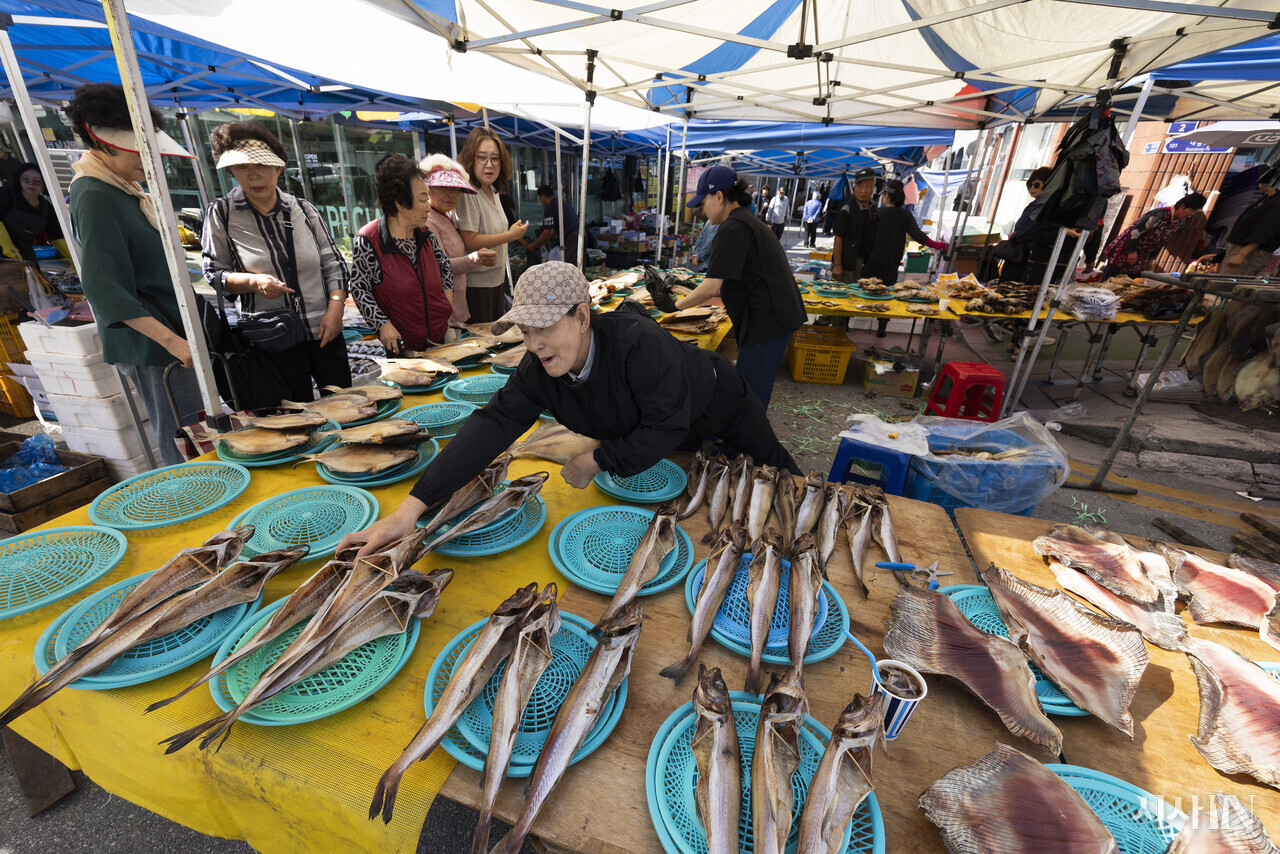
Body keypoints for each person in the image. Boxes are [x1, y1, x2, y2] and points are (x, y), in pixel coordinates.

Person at [338, 262, 798, 557]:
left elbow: (664, 425)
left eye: (544, 327)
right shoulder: (540, 367)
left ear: (581, 317)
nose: (534, 344)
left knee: (776, 469)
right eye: (525, 329)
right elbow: (493, 423)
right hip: (673, 430)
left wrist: (596, 460)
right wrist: (411, 509)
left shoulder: (640, 346)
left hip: (722, 401)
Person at [66, 82, 203, 466]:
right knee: (181, 435)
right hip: (155, 343)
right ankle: (192, 505)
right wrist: (173, 342)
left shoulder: (124, 187)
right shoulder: (95, 194)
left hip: (172, 332)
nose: (149, 161)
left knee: (196, 428)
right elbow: (104, 287)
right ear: (103, 143)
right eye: (138, 152)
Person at [202, 121, 351, 401]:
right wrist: (252, 282)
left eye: (263, 166)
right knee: (294, 421)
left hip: (324, 329)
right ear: (232, 170)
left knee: (347, 406)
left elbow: (334, 264)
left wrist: (335, 309)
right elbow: (214, 274)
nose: (254, 175)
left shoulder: (304, 210)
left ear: (278, 168)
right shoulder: (222, 213)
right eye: (244, 167)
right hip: (270, 338)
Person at [655, 165, 805, 409]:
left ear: (719, 197)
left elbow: (712, 284)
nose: (702, 210)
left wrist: (673, 305)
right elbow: (719, 284)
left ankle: (745, 443)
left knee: (748, 393)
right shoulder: (744, 219)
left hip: (769, 319)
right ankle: (744, 440)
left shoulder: (732, 228)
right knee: (749, 387)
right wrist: (689, 287)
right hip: (775, 315)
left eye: (703, 203)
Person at [348, 154, 454, 355]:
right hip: (402, 347)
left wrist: (447, 298)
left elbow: (444, 267)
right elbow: (360, 288)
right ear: (400, 202)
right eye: (423, 199)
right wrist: (382, 324)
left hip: (438, 339)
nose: (428, 206)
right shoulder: (369, 239)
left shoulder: (425, 233)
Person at [454, 128, 529, 321]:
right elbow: (469, 240)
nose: (490, 165)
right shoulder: (468, 192)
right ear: (471, 159)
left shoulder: (492, 189)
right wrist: (511, 235)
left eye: (495, 158)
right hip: (476, 286)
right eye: (482, 158)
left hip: (496, 280)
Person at [418, 154, 498, 325]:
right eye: (443, 187)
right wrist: (476, 258)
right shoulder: (427, 221)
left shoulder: (444, 216)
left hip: (456, 305)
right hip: (443, 310)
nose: (450, 194)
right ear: (426, 188)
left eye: (455, 189)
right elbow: (440, 266)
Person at [862, 179, 948, 337]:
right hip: (891, 263)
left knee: (864, 291)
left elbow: (865, 237)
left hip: (871, 261)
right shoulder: (906, 216)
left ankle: (847, 322)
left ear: (886, 195)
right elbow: (918, 236)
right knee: (886, 295)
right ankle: (881, 328)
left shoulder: (876, 213)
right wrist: (937, 245)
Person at [1101, 192, 1207, 278]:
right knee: (1109, 280)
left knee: (1127, 284)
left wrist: (1152, 258)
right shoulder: (1159, 214)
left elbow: (1162, 241)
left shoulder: (1177, 222)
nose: (1191, 215)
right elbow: (1135, 231)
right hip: (1124, 249)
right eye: (1191, 211)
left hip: (1141, 256)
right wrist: (1131, 251)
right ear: (1182, 207)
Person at [0, 163, 74, 270]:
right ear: (19, 180)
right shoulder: (5, 195)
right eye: (26, 179)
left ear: (43, 185)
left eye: (36, 181)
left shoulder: (47, 208)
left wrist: (76, 263)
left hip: (25, 254)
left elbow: (58, 237)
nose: (31, 184)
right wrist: (9, 250)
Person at [1217, 166, 1280, 277]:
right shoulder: (1267, 199)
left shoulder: (1276, 204)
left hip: (1250, 253)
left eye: (1261, 177)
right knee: (1221, 283)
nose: (1259, 180)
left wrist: (1242, 254)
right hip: (1241, 249)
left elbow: (1263, 232)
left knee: (1228, 285)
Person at [832, 167, 879, 284]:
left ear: (873, 187)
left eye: (868, 186)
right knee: (846, 294)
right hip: (848, 261)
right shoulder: (847, 209)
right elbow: (838, 238)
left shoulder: (873, 208)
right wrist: (837, 265)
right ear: (854, 187)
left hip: (864, 261)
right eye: (860, 186)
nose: (863, 190)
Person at [523, 184, 580, 266]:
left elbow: (547, 232)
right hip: (579, 233)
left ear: (542, 196)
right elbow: (552, 232)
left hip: (572, 237)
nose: (541, 201)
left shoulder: (550, 207)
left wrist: (534, 245)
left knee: (570, 265)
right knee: (576, 263)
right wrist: (540, 242)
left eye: (540, 199)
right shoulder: (559, 203)